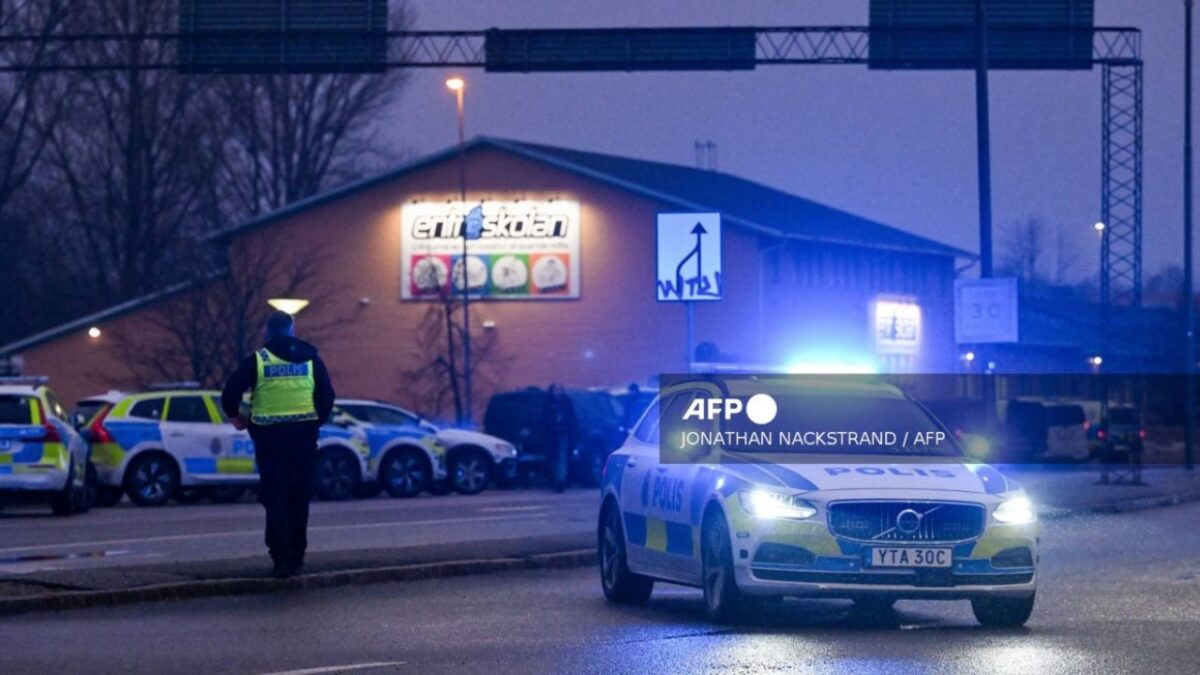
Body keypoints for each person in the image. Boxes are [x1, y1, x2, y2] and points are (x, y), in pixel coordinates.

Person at [221, 311, 334, 579]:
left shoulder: (258, 360)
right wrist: (313, 423)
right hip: (303, 440)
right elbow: (327, 396)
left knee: (275, 499)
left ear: (267, 332)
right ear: (292, 330)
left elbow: (230, 391)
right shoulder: (311, 360)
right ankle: (297, 556)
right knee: (299, 497)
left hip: (269, 441)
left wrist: (236, 416)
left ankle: (280, 559)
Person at [544, 384, 578, 493]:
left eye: (559, 389)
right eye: (556, 389)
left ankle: (560, 481)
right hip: (551, 436)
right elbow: (543, 420)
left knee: (561, 458)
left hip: (563, 434)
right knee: (553, 459)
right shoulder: (547, 404)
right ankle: (556, 479)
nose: (558, 392)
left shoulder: (566, 403)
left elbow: (572, 419)